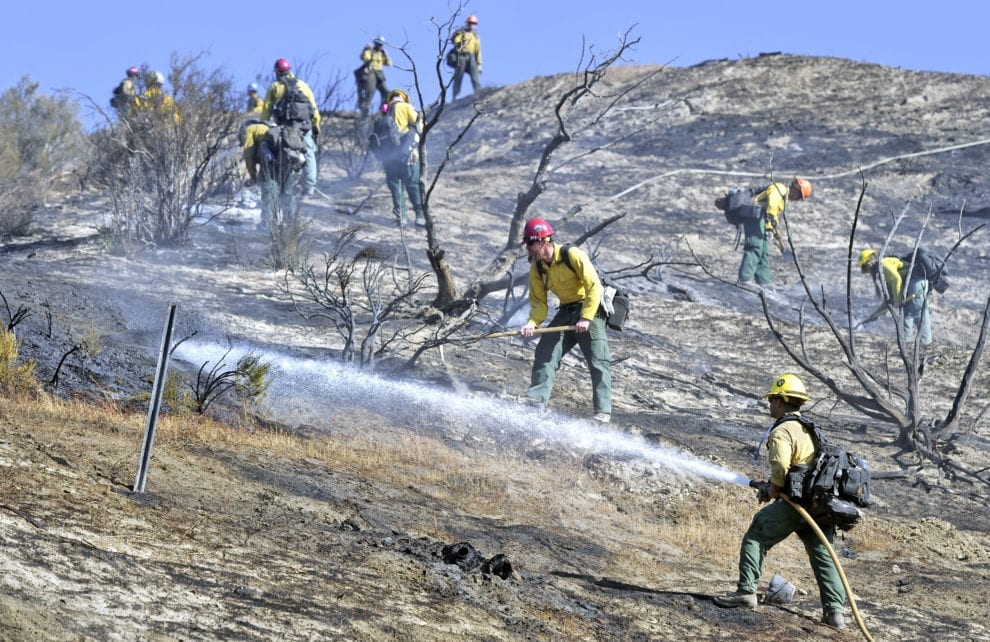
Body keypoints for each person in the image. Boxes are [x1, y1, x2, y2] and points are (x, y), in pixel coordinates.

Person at [714, 373, 847, 630]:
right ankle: (835, 614)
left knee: (756, 534)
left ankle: (746, 592)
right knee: (824, 556)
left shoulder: (783, 431)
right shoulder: (808, 429)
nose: (769, 404)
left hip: (798, 505)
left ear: (781, 401)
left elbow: (780, 467)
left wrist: (772, 489)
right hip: (820, 506)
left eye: (772, 399)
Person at [519, 217, 612, 423]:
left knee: (598, 360)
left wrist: (586, 318)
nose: (528, 248)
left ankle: (603, 412)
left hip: (591, 309)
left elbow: (594, 287)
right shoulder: (537, 268)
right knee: (545, 351)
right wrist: (532, 323)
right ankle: (536, 400)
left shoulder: (573, 255)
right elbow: (539, 303)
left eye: (531, 244)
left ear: (544, 241)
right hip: (566, 311)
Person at [719, 178, 812, 288]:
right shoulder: (780, 188)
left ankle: (764, 281)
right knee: (754, 247)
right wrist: (773, 218)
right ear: (796, 190)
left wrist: (771, 230)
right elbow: (771, 203)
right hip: (754, 216)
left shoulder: (783, 198)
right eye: (800, 197)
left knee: (763, 251)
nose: (798, 200)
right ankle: (744, 279)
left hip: (761, 219)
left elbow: (769, 216)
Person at [261, 58, 321, 197]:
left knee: (287, 152)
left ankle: (288, 184)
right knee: (309, 152)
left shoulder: (275, 87)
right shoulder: (303, 85)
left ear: (277, 72)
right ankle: (310, 187)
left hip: (287, 127)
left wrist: (263, 123)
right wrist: (316, 123)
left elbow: (266, 109)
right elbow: (313, 107)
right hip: (305, 126)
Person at [858, 249, 932, 346]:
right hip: (920, 283)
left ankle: (905, 345)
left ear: (869, 262)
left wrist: (898, 300)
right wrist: (875, 315)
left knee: (908, 315)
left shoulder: (883, 264)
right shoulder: (884, 267)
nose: (866, 271)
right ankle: (926, 344)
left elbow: (896, 280)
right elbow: (889, 300)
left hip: (916, 284)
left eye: (864, 267)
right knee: (921, 314)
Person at [240, 120, 299, 231]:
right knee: (287, 193)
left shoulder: (248, 130)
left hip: (271, 163)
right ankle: (292, 225)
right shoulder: (269, 129)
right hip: (287, 162)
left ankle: (266, 227)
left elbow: (249, 154)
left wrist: (252, 175)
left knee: (269, 193)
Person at [378, 89, 425, 227]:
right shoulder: (406, 107)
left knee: (396, 186)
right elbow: (421, 128)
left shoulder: (384, 113)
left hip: (389, 158)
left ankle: (402, 217)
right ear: (403, 98)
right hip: (409, 155)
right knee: (412, 185)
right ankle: (420, 216)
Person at [357, 37, 391, 116]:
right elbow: (365, 58)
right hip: (370, 73)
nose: (380, 46)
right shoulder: (370, 51)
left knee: (387, 93)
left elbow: (389, 63)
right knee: (370, 92)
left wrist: (386, 54)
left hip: (379, 75)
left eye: (381, 45)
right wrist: (366, 49)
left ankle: (384, 111)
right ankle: (364, 112)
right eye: (379, 44)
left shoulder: (382, 53)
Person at [450, 15, 482, 100]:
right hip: (461, 56)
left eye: (474, 23)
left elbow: (478, 51)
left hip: (471, 58)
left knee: (475, 77)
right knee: (458, 76)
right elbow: (455, 41)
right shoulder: (462, 33)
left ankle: (478, 94)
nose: (472, 25)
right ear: (467, 23)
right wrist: (460, 38)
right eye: (470, 23)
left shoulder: (476, 36)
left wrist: (479, 64)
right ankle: (455, 96)